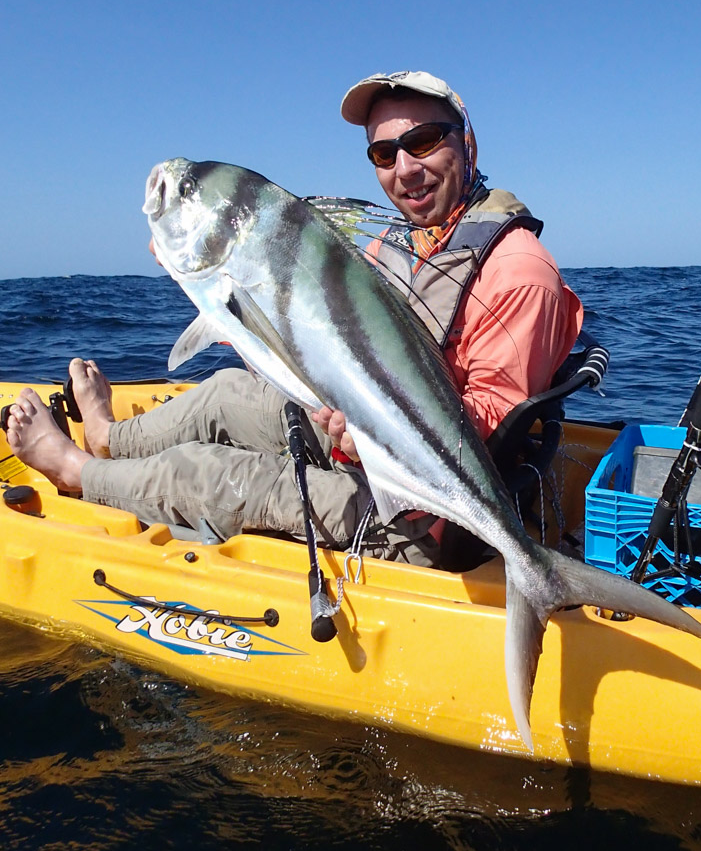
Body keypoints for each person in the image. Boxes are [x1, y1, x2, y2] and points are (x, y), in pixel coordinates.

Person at [5, 72, 582, 567]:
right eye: (384, 154)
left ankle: (78, 471)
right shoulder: (392, 246)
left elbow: (491, 431)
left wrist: (365, 435)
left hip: (425, 512)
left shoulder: (518, 271)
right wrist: (202, 279)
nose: (405, 169)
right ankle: (109, 437)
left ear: (467, 143)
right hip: (352, 437)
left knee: (204, 473)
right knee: (227, 391)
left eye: (424, 141)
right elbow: (285, 344)